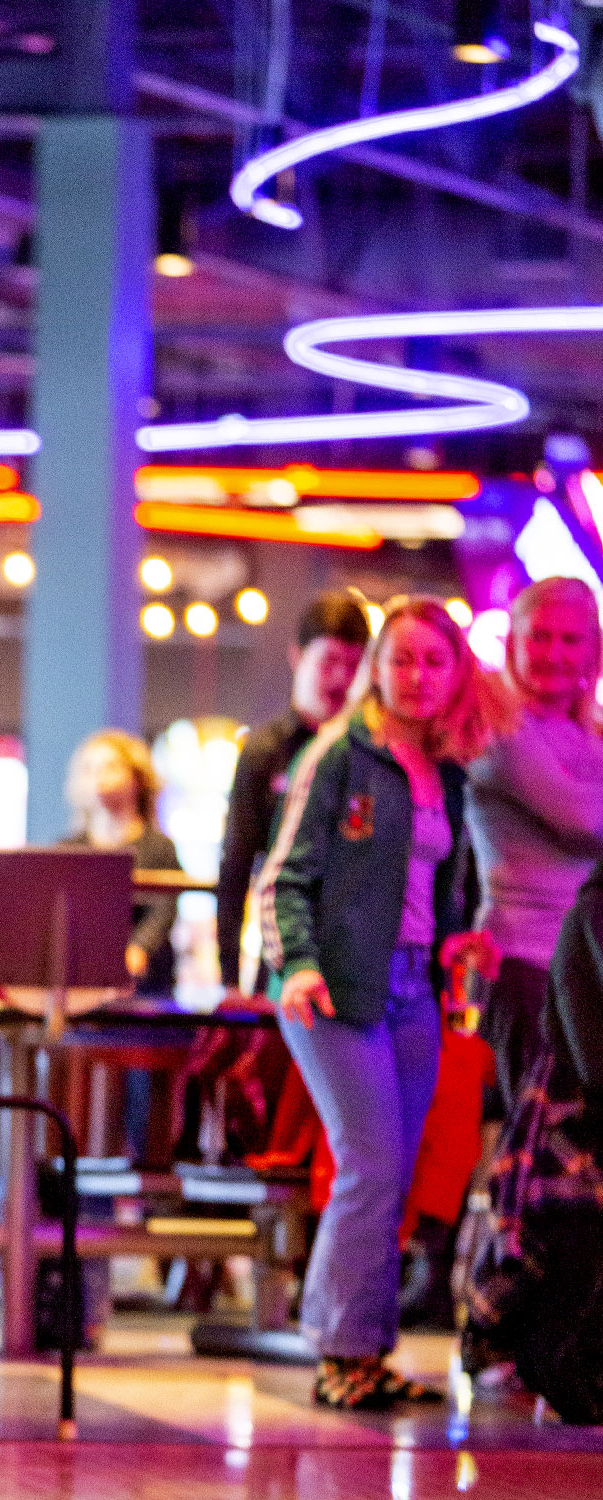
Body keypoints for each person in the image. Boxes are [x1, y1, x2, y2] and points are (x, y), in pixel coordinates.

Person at [256, 595, 501, 1409]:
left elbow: (443, 883)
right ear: (375, 668)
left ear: (455, 672)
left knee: (394, 1171)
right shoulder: (341, 754)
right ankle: (334, 1349)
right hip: (333, 987)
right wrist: (294, 963)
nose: (417, 676)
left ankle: (366, 1349)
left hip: (411, 990)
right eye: (401, 659)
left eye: (434, 661)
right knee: (366, 1163)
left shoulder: (449, 767)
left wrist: (460, 940)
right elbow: (282, 873)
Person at [465, 857, 603, 1417]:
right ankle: (530, 1352)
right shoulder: (597, 909)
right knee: (565, 1259)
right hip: (574, 1132)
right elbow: (593, 1064)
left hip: (578, 1124)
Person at [466, 575, 603, 1114]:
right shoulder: (495, 721)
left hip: (580, 966)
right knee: (529, 1151)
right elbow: (583, 820)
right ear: (513, 643)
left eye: (571, 640)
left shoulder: (586, 729)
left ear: (593, 650)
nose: (554, 653)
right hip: (522, 965)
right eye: (540, 637)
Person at [215, 590, 373, 995]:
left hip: (356, 960)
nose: (341, 679)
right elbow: (235, 868)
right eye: (329, 661)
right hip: (285, 957)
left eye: (353, 665)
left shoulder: (372, 753)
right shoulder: (265, 751)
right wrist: (230, 982)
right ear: (297, 657)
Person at [62, 729, 180, 992]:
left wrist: (138, 950)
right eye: (89, 769)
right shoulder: (68, 848)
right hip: (81, 987)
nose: (99, 777)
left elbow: (163, 910)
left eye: (110, 767)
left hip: (146, 987)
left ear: (137, 777)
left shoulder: (160, 848)